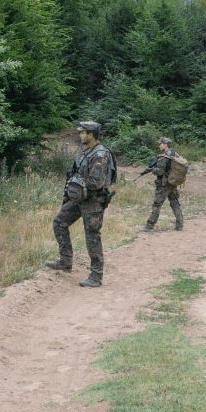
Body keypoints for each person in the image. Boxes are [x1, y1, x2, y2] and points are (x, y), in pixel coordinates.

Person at [45, 121, 116, 288]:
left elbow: (96, 182)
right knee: (59, 222)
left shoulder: (99, 154)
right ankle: (65, 261)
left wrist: (76, 183)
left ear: (91, 135)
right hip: (79, 200)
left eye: (83, 133)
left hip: (93, 202)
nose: (80, 135)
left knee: (92, 236)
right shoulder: (88, 152)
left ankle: (96, 276)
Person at [142, 137, 185, 231]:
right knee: (175, 203)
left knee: (157, 205)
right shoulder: (174, 154)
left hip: (163, 184)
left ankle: (149, 226)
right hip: (172, 183)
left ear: (165, 145)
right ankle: (180, 225)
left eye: (161, 144)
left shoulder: (164, 157)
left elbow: (160, 172)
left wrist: (151, 170)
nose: (159, 145)